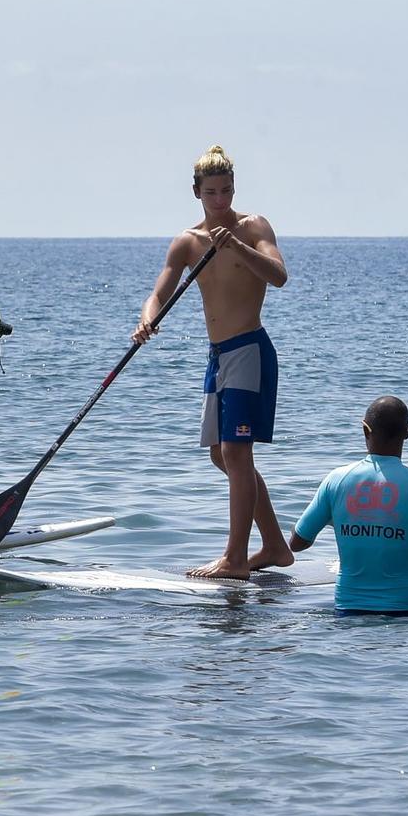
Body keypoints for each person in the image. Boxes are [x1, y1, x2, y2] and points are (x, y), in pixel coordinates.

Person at [132, 145, 291, 578]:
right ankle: (275, 546)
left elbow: (279, 276)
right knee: (222, 457)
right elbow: (159, 292)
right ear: (196, 192)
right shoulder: (187, 241)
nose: (221, 201)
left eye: (227, 191)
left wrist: (239, 246)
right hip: (218, 357)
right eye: (212, 193)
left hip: (250, 350)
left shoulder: (253, 226)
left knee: (237, 453)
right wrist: (147, 320)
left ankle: (235, 559)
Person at [290, 396, 408, 616]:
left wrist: (335, 517)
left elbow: (297, 543)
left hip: (347, 612)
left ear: (365, 430)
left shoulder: (336, 480)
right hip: (405, 613)